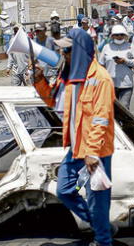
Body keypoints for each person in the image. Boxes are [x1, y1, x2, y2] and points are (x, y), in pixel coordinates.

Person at [33, 28, 116, 246]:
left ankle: (103, 239)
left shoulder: (101, 79)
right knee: (64, 190)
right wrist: (39, 80)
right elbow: (53, 102)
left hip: (94, 152)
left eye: (67, 51)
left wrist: (92, 152)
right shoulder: (69, 76)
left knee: (97, 200)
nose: (63, 55)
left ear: (79, 51)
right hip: (77, 148)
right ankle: (102, 226)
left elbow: (101, 119)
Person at [99, 25, 134, 109]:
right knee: (112, 110)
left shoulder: (130, 47)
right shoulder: (106, 48)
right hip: (111, 84)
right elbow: (101, 64)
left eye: (121, 34)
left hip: (126, 84)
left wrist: (125, 61)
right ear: (112, 36)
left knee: (125, 108)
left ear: (125, 35)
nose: (119, 36)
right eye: (117, 35)